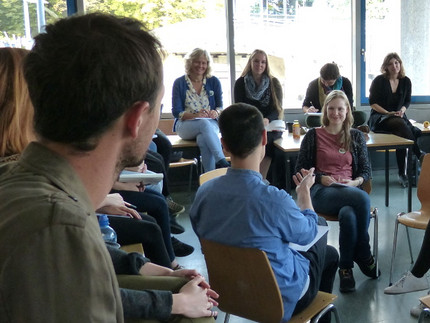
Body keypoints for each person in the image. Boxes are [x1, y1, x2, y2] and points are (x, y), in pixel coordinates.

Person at [0, 13, 218, 321]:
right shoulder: (60, 229)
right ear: (137, 119)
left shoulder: (20, 183)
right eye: (158, 107)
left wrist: (138, 265)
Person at [190, 103, 339, 322]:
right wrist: (304, 193)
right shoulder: (274, 199)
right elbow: (308, 234)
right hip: (279, 299)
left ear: (223, 146)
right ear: (264, 139)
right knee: (321, 230)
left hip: (229, 293)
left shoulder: (204, 193)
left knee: (325, 252)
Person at [296, 90, 379, 293]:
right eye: (331, 109)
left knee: (349, 214)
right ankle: (364, 252)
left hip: (349, 190)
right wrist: (321, 176)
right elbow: (300, 169)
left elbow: (366, 171)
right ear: (325, 111)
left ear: (347, 111)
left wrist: (355, 182)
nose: (336, 113)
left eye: (340, 109)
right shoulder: (313, 135)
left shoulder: (356, 136)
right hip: (321, 192)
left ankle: (346, 269)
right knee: (360, 198)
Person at [368, 52, 424, 188]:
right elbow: (372, 102)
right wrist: (388, 113)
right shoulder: (379, 81)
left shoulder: (406, 81)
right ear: (386, 66)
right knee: (401, 126)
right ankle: (419, 154)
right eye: (391, 63)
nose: (394, 66)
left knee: (403, 132)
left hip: (399, 117)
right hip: (380, 117)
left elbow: (407, 101)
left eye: (397, 63)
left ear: (400, 64)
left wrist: (402, 111)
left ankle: (403, 174)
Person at [172, 48, 229, 172]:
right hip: (186, 126)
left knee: (203, 139)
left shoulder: (214, 81)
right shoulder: (179, 83)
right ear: (190, 63)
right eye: (197, 62)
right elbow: (176, 112)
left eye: (204, 63)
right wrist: (195, 115)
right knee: (203, 123)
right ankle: (221, 159)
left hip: (210, 125)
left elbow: (220, 107)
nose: (201, 65)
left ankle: (209, 180)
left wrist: (216, 112)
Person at [234, 49, 283, 179]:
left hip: (270, 124)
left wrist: (266, 119)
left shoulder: (274, 83)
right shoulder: (240, 83)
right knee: (251, 140)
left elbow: (277, 109)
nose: (259, 65)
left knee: (267, 140)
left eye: (263, 62)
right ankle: (252, 177)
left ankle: (261, 178)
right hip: (248, 123)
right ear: (250, 62)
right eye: (256, 61)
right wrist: (254, 120)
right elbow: (239, 108)